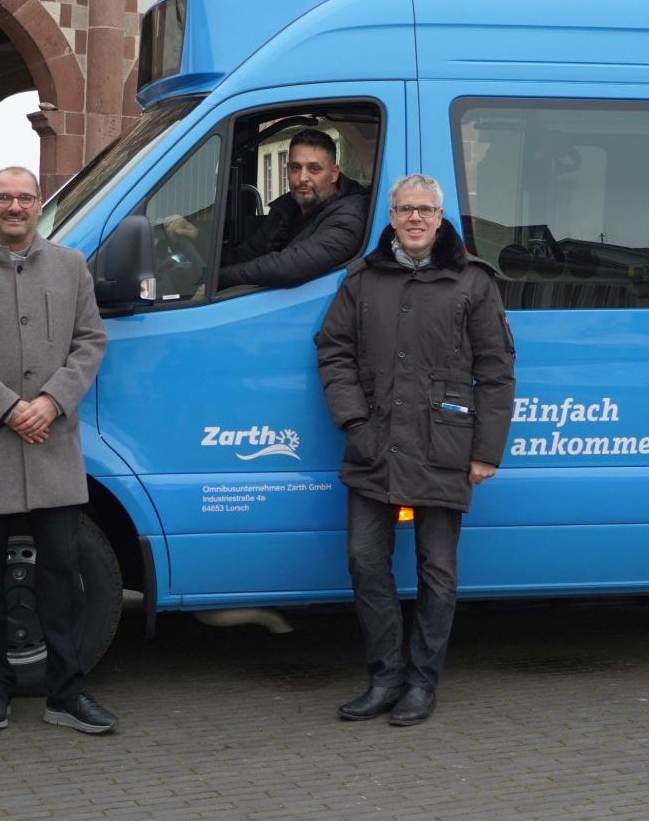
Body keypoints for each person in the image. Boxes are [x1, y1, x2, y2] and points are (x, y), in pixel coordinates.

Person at [314, 173, 516, 726]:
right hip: (373, 444)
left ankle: (422, 683)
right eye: (406, 209)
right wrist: (354, 420)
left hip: (443, 446)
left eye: (425, 210)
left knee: (437, 572)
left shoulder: (472, 282)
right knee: (363, 560)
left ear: (440, 217)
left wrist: (486, 452)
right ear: (392, 217)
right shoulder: (363, 279)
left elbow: (496, 372)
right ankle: (385, 678)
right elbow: (333, 350)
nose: (415, 219)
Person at [0, 165, 118, 735]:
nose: (15, 207)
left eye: (25, 198)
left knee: (61, 577)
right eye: (4, 197)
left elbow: (90, 342)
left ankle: (67, 692)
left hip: (53, 444)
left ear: (39, 205)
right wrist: (8, 409)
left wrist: (52, 401)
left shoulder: (71, 265)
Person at [170, 129, 369, 291]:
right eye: (295, 168)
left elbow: (289, 266)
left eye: (314, 169)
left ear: (334, 174)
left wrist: (215, 280)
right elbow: (245, 255)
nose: (302, 178)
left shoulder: (349, 217)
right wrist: (197, 236)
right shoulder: (287, 208)